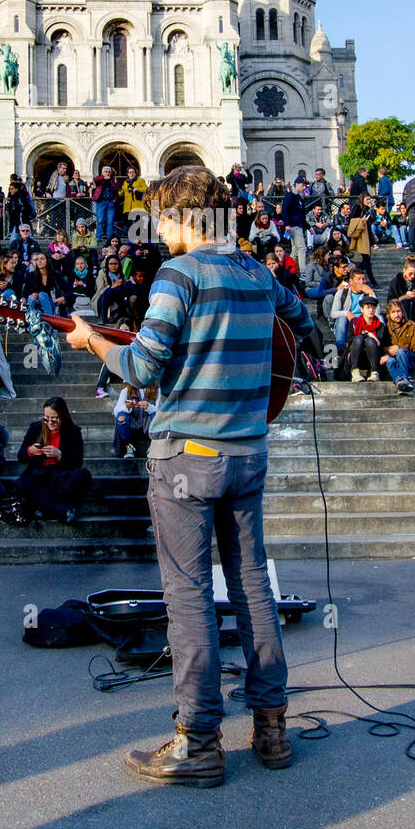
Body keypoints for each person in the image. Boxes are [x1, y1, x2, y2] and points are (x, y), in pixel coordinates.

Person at [66, 165, 314, 785]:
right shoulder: (258, 273)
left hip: (187, 458)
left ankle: (198, 739)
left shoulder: (178, 274)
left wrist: (90, 341)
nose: (160, 230)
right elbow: (302, 326)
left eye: (164, 217)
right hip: (249, 452)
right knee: (253, 585)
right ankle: (272, 727)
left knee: (188, 595)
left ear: (184, 217)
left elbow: (143, 367)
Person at [12, 397, 91, 524]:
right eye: (45, 419)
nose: (49, 423)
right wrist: (30, 451)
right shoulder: (35, 428)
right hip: (39, 476)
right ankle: (61, 509)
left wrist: (59, 455)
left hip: (61, 477)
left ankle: (45, 507)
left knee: (84, 474)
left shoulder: (73, 431)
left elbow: (77, 462)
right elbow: (21, 456)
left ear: (62, 417)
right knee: (21, 483)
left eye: (54, 420)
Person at [379, 298, 415, 393]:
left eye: (398, 311)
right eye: (393, 312)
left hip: (411, 359)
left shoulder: (412, 326)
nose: (397, 314)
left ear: (402, 312)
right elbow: (383, 347)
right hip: (394, 358)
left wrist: (400, 347)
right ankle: (402, 382)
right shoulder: (386, 328)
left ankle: (403, 378)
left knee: (401, 352)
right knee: (390, 361)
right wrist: (388, 351)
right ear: (389, 314)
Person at [348, 293, 386, 381]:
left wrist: (369, 336)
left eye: (373, 308)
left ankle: (375, 372)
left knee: (370, 340)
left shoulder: (380, 326)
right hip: (356, 355)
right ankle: (355, 371)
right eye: (368, 307)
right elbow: (349, 339)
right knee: (359, 338)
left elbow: (380, 342)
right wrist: (366, 333)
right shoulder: (354, 323)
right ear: (362, 309)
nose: (371, 310)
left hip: (374, 356)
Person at [112, 382, 157, 458]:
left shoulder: (156, 388)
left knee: (156, 415)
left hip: (148, 424)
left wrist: (149, 407)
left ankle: (154, 445)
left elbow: (161, 412)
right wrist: (127, 407)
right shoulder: (127, 389)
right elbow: (116, 411)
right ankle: (128, 444)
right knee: (121, 415)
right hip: (133, 424)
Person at [91, 165, 119, 244]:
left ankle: (109, 238)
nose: (107, 173)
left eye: (109, 172)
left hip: (110, 202)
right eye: (106, 172)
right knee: (100, 220)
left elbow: (116, 191)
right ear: (102, 172)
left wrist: (115, 199)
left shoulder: (112, 181)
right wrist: (103, 177)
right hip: (101, 202)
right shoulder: (100, 180)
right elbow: (95, 180)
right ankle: (98, 238)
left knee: (110, 221)